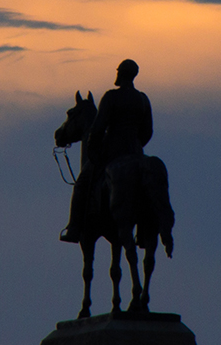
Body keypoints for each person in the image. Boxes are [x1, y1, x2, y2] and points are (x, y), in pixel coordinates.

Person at [60, 59, 153, 242]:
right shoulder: (143, 99)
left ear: (120, 74)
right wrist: (136, 146)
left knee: (81, 185)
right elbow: (148, 131)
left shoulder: (111, 97)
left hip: (112, 153)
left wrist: (93, 148)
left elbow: (98, 127)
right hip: (135, 153)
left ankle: (74, 228)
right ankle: (144, 231)